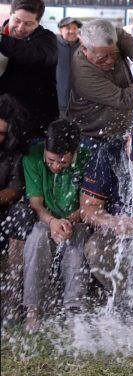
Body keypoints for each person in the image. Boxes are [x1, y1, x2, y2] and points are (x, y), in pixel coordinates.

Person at [80, 117, 133, 298]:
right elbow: (88, 209)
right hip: (118, 227)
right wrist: (112, 221)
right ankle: (128, 297)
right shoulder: (108, 153)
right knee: (95, 249)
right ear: (128, 142)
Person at [20, 119, 91, 332]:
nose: (56, 166)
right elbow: (36, 203)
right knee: (36, 238)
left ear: (75, 151)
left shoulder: (88, 158)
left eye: (63, 162)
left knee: (77, 240)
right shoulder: (32, 157)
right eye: (51, 161)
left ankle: (73, 310)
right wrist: (53, 222)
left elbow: (88, 203)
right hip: (46, 219)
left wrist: (69, 221)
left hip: (76, 219)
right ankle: (33, 309)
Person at [68, 19, 133, 151]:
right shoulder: (82, 74)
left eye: (114, 54)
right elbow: (125, 100)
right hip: (91, 137)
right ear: (84, 49)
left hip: (120, 132)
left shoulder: (115, 34)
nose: (110, 61)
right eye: (102, 58)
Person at [0, 0, 58, 139]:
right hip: (3, 124)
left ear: (38, 22)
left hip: (36, 125)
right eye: (17, 20)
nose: (20, 28)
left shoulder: (46, 40)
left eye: (28, 24)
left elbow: (33, 54)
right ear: (10, 14)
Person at [0, 95, 28, 324]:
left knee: (20, 215)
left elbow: (15, 189)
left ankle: (11, 300)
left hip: (4, 210)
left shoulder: (14, 154)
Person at [56, 17, 82, 117]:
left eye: (74, 28)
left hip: (79, 102)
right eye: (67, 28)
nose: (71, 31)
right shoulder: (53, 45)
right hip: (57, 100)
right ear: (60, 30)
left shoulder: (84, 47)